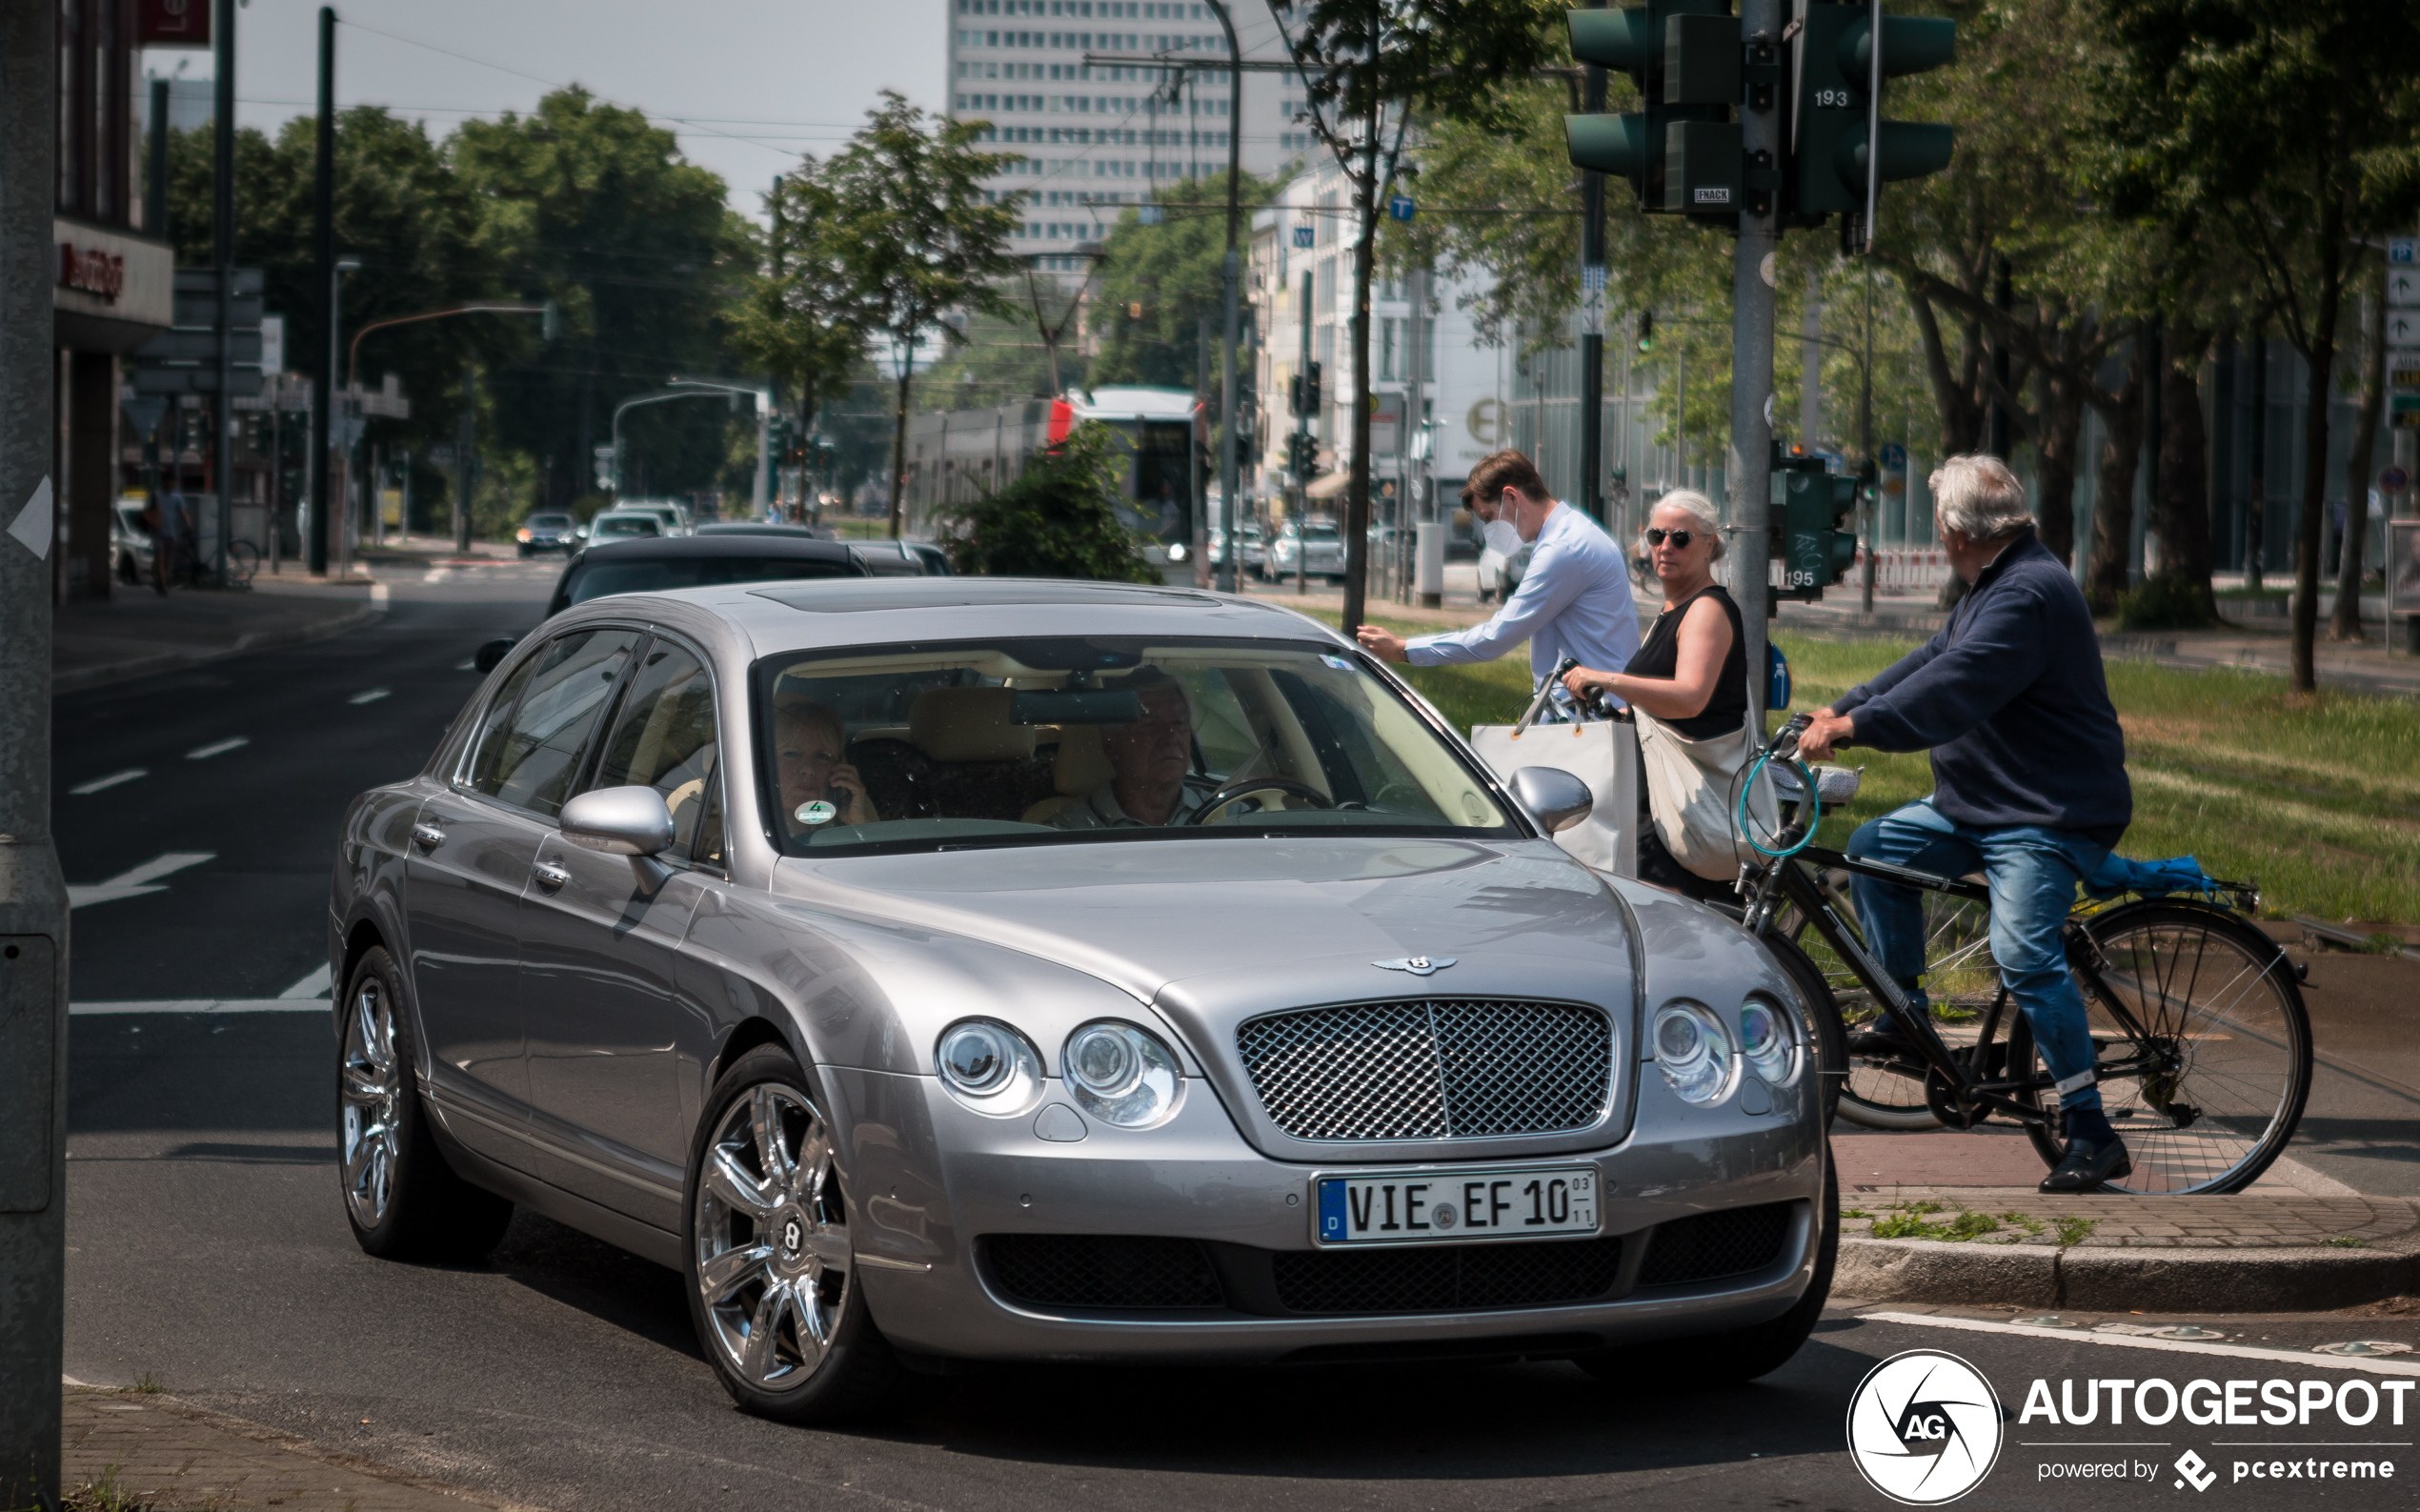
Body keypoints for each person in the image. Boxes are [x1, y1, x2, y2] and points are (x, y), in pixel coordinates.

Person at [1795, 454, 2133, 1194]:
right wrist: (1846, 703)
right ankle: (1905, 1013)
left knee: (2023, 955)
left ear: (1951, 531)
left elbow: (1952, 689)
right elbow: (1932, 656)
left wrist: (1857, 728)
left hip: (2043, 813)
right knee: (1875, 850)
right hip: (1980, 804)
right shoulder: (1997, 581)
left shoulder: (2027, 595)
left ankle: (2090, 1127)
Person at [1557, 490, 1746, 901]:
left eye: (1681, 538)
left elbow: (1690, 697)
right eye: (1656, 535)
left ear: (1710, 544)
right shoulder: (1673, 609)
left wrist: (1607, 679)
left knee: (1676, 921)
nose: (1664, 547)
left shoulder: (1706, 609)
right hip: (1662, 794)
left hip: (1689, 795)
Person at [1354, 450, 1639, 714]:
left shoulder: (1563, 550)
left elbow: (1494, 639)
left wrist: (1403, 649)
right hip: (1595, 711)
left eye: (1489, 517)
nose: (1490, 529)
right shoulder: (1573, 534)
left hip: (1593, 718)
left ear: (1512, 497)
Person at [1050, 669, 1219, 828]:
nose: (1170, 737)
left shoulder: (1227, 814)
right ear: (1110, 744)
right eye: (1150, 725)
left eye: (1179, 722)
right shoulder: (1066, 833)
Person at [773, 698, 878, 839]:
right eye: (791, 754)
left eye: (823, 756)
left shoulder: (848, 817)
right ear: (767, 761)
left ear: (839, 766)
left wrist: (861, 824)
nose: (809, 768)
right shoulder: (743, 824)